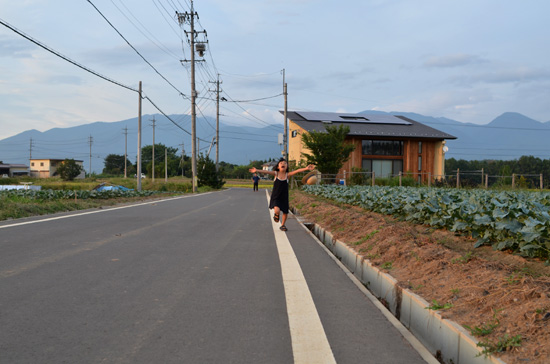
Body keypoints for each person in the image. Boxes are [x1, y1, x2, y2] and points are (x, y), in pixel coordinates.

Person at [249, 159, 315, 231]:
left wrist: (306, 168)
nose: (283, 164)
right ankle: (276, 215)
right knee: (277, 210)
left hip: (284, 197)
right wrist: (257, 170)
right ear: (278, 167)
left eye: (285, 163)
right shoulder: (276, 174)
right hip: (276, 196)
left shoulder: (288, 175)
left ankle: (283, 225)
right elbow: (266, 171)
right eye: (281, 163)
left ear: (287, 167)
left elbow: (297, 171)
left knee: (285, 212)